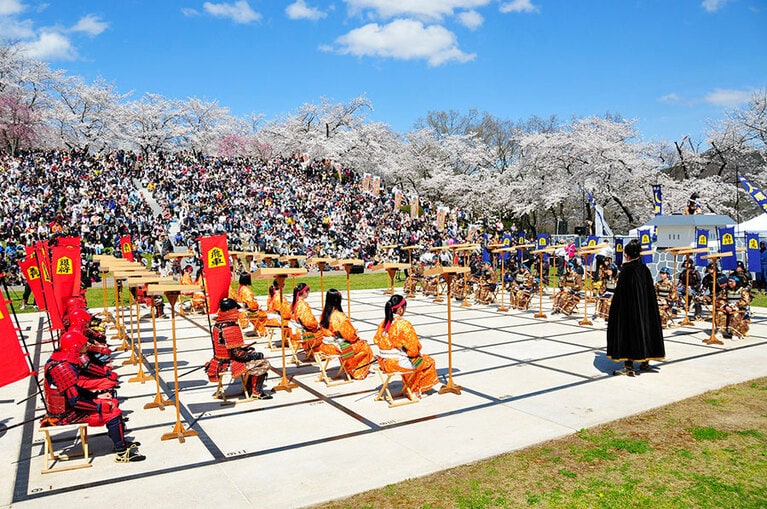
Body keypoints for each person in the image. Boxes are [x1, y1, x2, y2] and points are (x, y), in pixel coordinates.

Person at [42, 330, 145, 462]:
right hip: (67, 414)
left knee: (111, 401)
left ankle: (120, 442)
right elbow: (75, 401)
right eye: (83, 344)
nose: (86, 346)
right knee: (113, 412)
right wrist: (99, 407)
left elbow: (76, 390)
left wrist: (97, 396)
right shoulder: (63, 367)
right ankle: (122, 452)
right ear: (75, 346)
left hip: (71, 407)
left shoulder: (63, 360)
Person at [606, 239, 664, 376]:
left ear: (627, 254)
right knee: (645, 330)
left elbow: (621, 295)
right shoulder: (645, 270)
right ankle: (645, 362)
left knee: (627, 333)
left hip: (629, 311)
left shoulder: (627, 271)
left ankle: (628, 366)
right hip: (645, 310)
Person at [373, 295, 439, 397]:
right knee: (427, 361)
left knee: (414, 359)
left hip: (384, 362)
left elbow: (376, 340)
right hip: (397, 363)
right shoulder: (404, 324)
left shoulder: (384, 323)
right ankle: (414, 390)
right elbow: (413, 350)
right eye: (404, 308)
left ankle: (411, 387)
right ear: (400, 309)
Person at [207, 298, 272, 399]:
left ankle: (250, 387)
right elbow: (237, 353)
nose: (237, 312)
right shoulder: (230, 327)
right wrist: (252, 355)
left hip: (218, 359)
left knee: (252, 353)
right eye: (235, 310)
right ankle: (256, 391)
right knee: (263, 362)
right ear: (231, 311)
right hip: (230, 362)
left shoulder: (217, 324)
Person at [316, 289, 373, 379]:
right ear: (337, 300)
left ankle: (350, 368)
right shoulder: (339, 316)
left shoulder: (324, 314)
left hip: (326, 345)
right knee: (364, 346)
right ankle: (356, 371)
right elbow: (350, 335)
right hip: (337, 346)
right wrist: (355, 334)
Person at [289, 282, 321, 360]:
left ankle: (310, 352)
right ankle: (318, 354)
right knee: (323, 334)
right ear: (304, 292)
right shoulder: (302, 305)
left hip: (294, 332)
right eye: (308, 292)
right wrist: (317, 325)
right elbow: (308, 323)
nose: (308, 293)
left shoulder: (294, 303)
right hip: (301, 333)